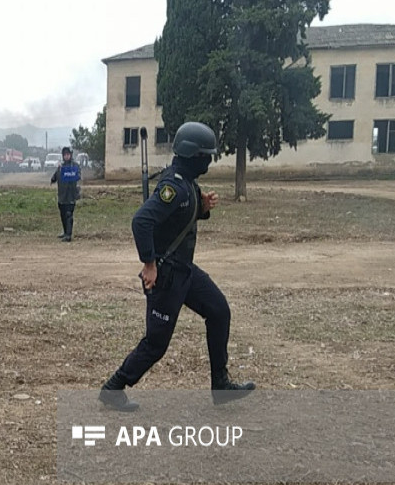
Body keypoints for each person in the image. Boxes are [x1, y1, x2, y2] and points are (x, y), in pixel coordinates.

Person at [98, 122, 255, 410]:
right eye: (206, 155)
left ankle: (220, 384)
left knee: (219, 311)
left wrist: (201, 208)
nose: (209, 161)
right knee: (156, 345)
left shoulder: (186, 183)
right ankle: (114, 388)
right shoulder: (174, 186)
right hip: (166, 277)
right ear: (193, 155)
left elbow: (177, 219)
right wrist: (149, 264)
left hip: (185, 271)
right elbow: (141, 221)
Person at [51, 146, 81, 242]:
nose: (66, 156)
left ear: (70, 155)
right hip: (62, 195)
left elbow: (78, 176)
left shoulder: (75, 166)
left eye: (68, 154)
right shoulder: (61, 167)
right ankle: (65, 232)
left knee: (69, 214)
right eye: (65, 155)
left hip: (71, 195)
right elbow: (55, 176)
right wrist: (52, 179)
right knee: (63, 214)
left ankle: (69, 235)